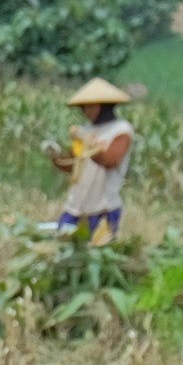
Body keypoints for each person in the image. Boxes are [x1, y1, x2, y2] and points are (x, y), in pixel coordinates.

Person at [47, 78, 136, 243]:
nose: (85, 111)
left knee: (95, 251)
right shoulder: (87, 130)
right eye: (83, 107)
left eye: (89, 107)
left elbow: (110, 161)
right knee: (62, 246)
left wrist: (90, 146)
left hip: (103, 207)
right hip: (76, 206)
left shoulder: (121, 130)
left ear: (103, 107)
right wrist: (55, 156)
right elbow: (74, 165)